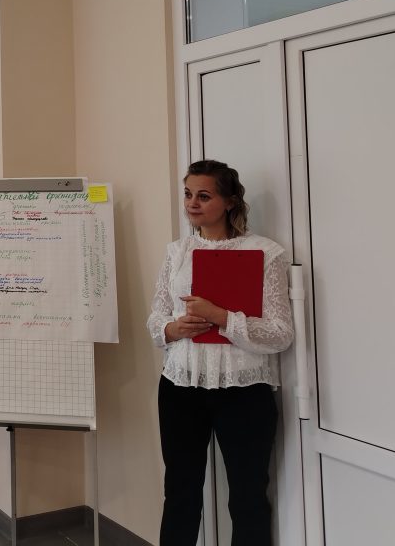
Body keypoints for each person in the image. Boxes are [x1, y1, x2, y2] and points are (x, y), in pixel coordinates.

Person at [146, 160, 294, 546]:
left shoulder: (265, 253)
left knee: (248, 497)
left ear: (229, 201)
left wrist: (221, 317)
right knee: (180, 493)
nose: (192, 204)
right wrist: (172, 329)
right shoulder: (177, 252)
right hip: (180, 387)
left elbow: (281, 334)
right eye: (188, 194)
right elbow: (156, 317)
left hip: (244, 392)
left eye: (204, 196)